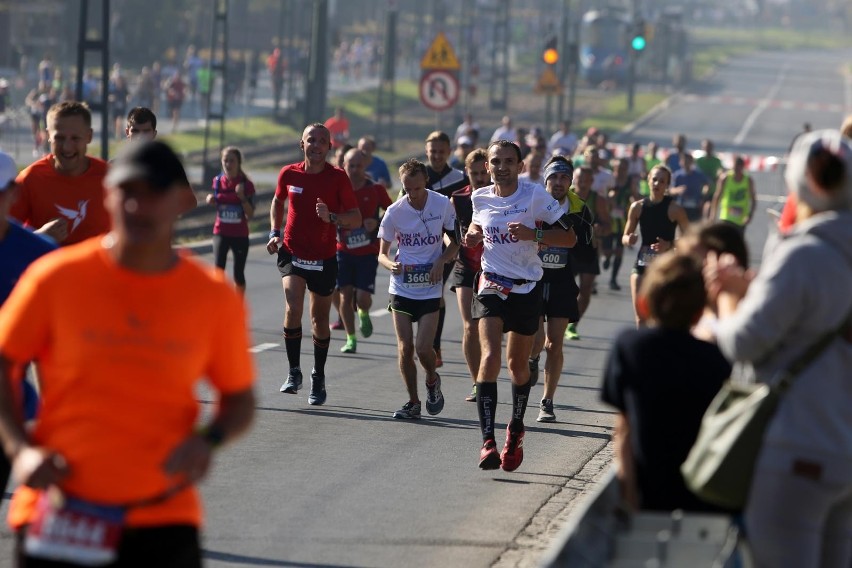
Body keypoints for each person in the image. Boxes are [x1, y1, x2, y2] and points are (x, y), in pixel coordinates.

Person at [0, 140, 256, 566]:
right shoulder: (55, 277)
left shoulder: (211, 297)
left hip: (162, 515)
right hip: (62, 510)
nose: (138, 206)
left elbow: (240, 398)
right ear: (108, 195)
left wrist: (208, 440)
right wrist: (20, 448)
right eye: (127, 192)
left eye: (153, 193)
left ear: (179, 201)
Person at [705, 129, 852, 568]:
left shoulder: (802, 254)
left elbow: (743, 343)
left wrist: (725, 299)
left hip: (795, 450)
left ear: (798, 182)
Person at [463, 140, 576, 472]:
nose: (502, 167)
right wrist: (472, 235)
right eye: (496, 161)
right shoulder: (479, 196)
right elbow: (477, 225)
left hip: (526, 287)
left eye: (509, 161)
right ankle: (487, 442)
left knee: (516, 365)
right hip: (491, 282)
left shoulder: (534, 196)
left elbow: (569, 238)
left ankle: (515, 429)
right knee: (490, 357)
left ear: (521, 166)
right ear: (488, 166)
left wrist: (534, 235)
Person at [601, 252, 731, 512]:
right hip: (704, 495)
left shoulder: (630, 346)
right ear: (698, 314)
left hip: (649, 494)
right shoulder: (717, 359)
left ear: (644, 304)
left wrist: (628, 496)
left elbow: (623, 430)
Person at [267, 124, 361, 406]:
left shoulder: (338, 178)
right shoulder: (289, 173)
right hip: (292, 252)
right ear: (302, 144)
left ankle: (318, 376)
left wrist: (331, 217)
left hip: (323, 257)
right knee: (292, 305)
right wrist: (274, 232)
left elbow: (354, 218)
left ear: (329, 147)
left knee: (319, 320)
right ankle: (294, 371)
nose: (316, 145)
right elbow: (277, 200)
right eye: (311, 140)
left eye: (322, 141)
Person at [378, 159, 459, 419]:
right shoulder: (394, 211)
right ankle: (413, 402)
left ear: (425, 182)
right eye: (406, 189)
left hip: (430, 288)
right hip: (402, 287)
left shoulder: (441, 203)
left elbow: (456, 242)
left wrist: (441, 260)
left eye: (415, 188)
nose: (411, 194)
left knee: (424, 348)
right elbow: (381, 254)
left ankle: (432, 380)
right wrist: (391, 264)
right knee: (405, 348)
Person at [528, 157, 582, 423]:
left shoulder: (579, 209)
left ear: (570, 181)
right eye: (554, 178)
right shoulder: (533, 205)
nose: (559, 183)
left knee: (555, 344)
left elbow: (581, 244)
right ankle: (532, 358)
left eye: (564, 178)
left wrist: (555, 242)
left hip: (562, 283)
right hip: (535, 281)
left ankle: (547, 401)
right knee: (536, 342)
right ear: (546, 180)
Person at [11, 101, 111, 245]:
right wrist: (40, 236)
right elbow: (5, 239)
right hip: (46, 266)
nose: (67, 147)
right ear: (48, 135)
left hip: (95, 267)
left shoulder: (110, 179)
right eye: (59, 138)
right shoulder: (30, 179)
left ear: (89, 136)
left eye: (75, 138)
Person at [419, 131, 468, 367]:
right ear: (426, 152)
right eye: (432, 151)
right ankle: (423, 341)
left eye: (441, 151)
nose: (437, 156)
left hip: (449, 246)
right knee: (420, 294)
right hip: (418, 245)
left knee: (435, 290)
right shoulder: (418, 175)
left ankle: (434, 345)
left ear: (449, 152)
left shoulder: (460, 178)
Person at [337, 148, 393, 354]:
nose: (354, 169)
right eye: (350, 165)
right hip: (343, 249)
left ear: (365, 166)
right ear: (344, 165)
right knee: (345, 296)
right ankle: (350, 338)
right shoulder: (338, 189)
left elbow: (391, 212)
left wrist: (376, 223)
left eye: (358, 166)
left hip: (368, 250)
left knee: (361, 297)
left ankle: (363, 313)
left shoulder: (375, 189)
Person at [622, 165, 689, 327]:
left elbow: (690, 239)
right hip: (642, 264)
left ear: (667, 185)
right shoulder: (637, 207)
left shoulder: (675, 209)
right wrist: (629, 239)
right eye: (654, 179)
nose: (657, 184)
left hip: (666, 267)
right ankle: (642, 352)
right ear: (648, 181)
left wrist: (670, 245)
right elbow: (624, 236)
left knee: (661, 317)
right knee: (641, 317)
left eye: (662, 181)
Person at [449, 149, 489, 403]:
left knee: (491, 327)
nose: (479, 178)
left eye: (483, 173)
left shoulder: (501, 197)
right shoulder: (458, 199)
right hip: (465, 266)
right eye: (474, 174)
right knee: (470, 326)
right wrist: (450, 249)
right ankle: (478, 382)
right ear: (466, 173)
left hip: (494, 268)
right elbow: (448, 231)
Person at [565, 165, 610, 341]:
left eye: (586, 180)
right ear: (573, 179)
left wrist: (600, 229)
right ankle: (560, 318)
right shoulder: (566, 196)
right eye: (579, 179)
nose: (582, 183)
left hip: (588, 249)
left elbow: (608, 226)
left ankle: (572, 325)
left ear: (592, 182)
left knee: (586, 289)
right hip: (567, 248)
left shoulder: (598, 200)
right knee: (566, 288)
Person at [205, 146, 255, 296]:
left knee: (238, 275)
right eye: (225, 160)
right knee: (218, 271)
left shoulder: (246, 184)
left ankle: (238, 305)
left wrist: (242, 197)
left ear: (238, 163)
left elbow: (251, 213)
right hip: (221, 232)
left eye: (231, 161)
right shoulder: (217, 181)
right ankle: (218, 305)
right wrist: (211, 199)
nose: (228, 164)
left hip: (239, 235)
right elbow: (216, 200)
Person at [602, 158, 639, 291]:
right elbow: (602, 196)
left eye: (624, 168)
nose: (621, 170)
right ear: (615, 168)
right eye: (618, 168)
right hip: (608, 219)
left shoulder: (630, 182)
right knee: (607, 250)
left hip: (623, 220)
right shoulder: (609, 179)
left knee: (619, 250)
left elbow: (635, 197)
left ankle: (613, 279)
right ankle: (607, 257)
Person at [710, 155, 756, 235]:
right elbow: (717, 196)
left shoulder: (748, 180)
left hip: (741, 218)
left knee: (737, 243)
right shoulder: (725, 178)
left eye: (738, 169)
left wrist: (750, 215)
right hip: (726, 216)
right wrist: (713, 214)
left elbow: (753, 199)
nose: (736, 172)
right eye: (734, 168)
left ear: (742, 168)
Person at [671, 153, 709, 222]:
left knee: (693, 229)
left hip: (695, 207)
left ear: (692, 162)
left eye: (688, 161)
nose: (686, 163)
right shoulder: (677, 175)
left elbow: (707, 185)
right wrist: (677, 190)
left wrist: (702, 197)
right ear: (680, 162)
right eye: (684, 161)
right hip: (681, 207)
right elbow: (670, 190)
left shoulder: (698, 174)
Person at [695, 139, 723, 217]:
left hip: (712, 190)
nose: (708, 149)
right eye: (706, 147)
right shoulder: (698, 161)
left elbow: (721, 172)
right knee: (698, 211)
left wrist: (717, 178)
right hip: (700, 190)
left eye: (709, 147)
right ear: (703, 148)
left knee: (709, 209)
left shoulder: (717, 161)